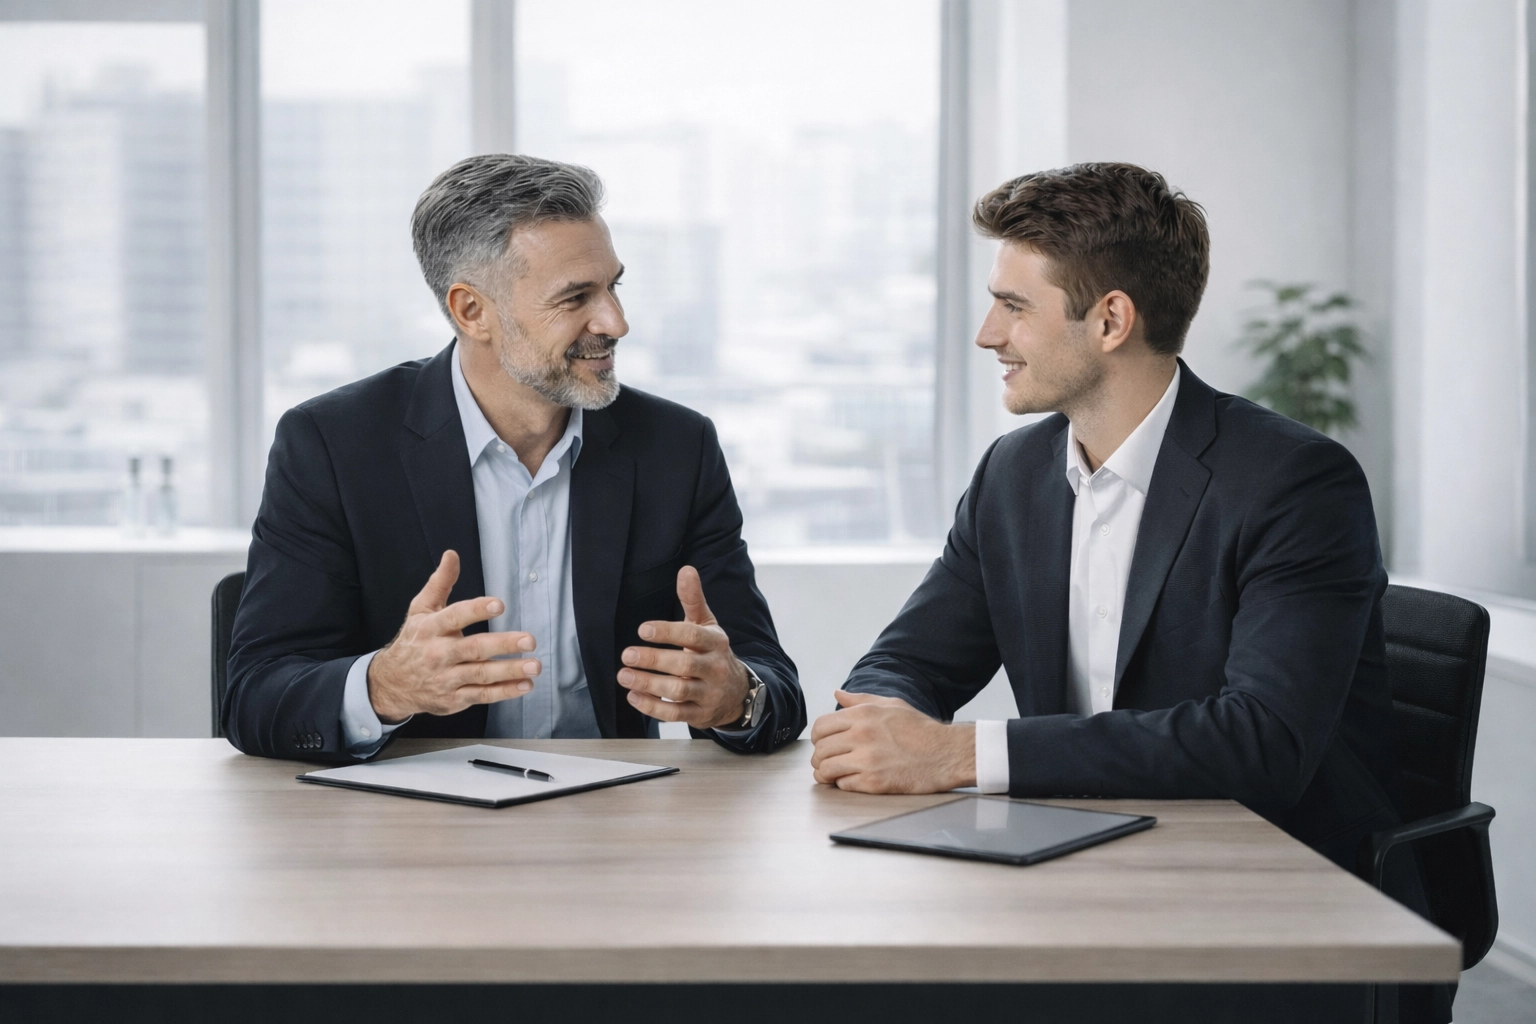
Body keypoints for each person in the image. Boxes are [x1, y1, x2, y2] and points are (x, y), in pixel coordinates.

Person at [809, 163, 1446, 1023]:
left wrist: (954, 755)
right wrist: (877, 725)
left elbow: (1260, 743)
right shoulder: (1015, 473)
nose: (987, 333)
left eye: (1015, 305)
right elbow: (911, 657)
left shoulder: (1293, 482)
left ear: (1110, 319)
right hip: (1081, 869)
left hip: (1275, 896)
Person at [225, 154, 803, 761]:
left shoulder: (675, 449)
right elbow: (254, 697)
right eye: (576, 297)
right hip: (413, 826)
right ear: (472, 311)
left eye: (613, 286)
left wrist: (739, 696)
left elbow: (773, 687)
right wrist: (384, 686)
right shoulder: (333, 445)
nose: (616, 321)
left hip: (613, 823)